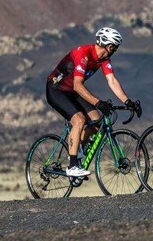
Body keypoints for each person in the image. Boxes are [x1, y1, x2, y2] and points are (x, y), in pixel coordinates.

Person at [46, 27, 139, 177]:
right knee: (79, 120)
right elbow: (78, 85)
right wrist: (98, 102)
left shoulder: (104, 59)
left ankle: (77, 148)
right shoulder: (84, 54)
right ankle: (72, 165)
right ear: (108, 45)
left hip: (72, 91)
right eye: (115, 47)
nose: (115, 50)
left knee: (97, 121)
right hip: (56, 90)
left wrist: (128, 101)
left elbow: (112, 80)